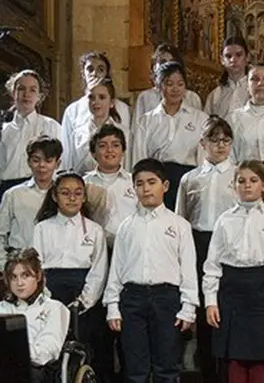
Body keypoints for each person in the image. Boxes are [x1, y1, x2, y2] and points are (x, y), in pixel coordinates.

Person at [103, 158, 199, 383]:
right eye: (139, 183)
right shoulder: (127, 226)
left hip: (167, 300)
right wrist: (112, 307)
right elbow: (117, 268)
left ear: (164, 186)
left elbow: (188, 269)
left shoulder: (179, 225)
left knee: (167, 367)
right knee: (136, 369)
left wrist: (188, 307)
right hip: (132, 299)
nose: (145, 188)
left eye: (151, 182)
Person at [203, 160, 264, 383]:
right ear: (233, 186)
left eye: (253, 180)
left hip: (263, 290)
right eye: (241, 181)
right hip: (232, 290)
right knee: (234, 356)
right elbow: (212, 265)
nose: (247, 185)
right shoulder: (224, 220)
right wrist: (210, 301)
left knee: (259, 355)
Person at [174, 115, 238, 381]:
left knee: (227, 307)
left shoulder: (239, 175)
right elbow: (181, 219)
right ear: (203, 142)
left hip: (230, 245)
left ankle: (229, 368)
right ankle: (207, 369)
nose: (220, 145)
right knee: (203, 310)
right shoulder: (190, 179)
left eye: (225, 140)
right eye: (214, 139)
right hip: (199, 242)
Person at [31, 171, 110, 378]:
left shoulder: (95, 230)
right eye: (65, 193)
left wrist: (84, 301)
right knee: (52, 348)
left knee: (84, 348)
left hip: (83, 296)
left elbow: (99, 271)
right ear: (55, 197)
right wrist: (47, 298)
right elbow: (37, 266)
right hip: (51, 292)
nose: (72, 198)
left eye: (77, 193)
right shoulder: (42, 228)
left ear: (84, 197)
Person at [131, 61, 209, 210]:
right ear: (159, 87)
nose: (175, 89)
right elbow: (139, 157)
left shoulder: (200, 118)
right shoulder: (147, 120)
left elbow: (203, 159)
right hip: (156, 181)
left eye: (180, 84)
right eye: (169, 83)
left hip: (188, 181)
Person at [0, 248, 69, 383]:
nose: (19, 283)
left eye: (25, 275)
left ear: (38, 276)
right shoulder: (2, 308)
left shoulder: (54, 308)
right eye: (14, 277)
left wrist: (16, 352)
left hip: (36, 371)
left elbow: (46, 352)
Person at [0, 70, 61, 196]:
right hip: (6, 189)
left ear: (39, 96)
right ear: (13, 93)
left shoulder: (50, 126)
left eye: (32, 90)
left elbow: (60, 163)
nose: (26, 94)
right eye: (21, 89)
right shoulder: (4, 129)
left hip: (41, 189)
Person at [0, 135, 61, 252]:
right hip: (20, 260)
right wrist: (4, 265)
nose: (42, 165)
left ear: (58, 163)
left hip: (55, 260)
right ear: (28, 162)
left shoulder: (66, 194)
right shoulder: (13, 194)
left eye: (48, 161)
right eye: (36, 160)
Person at [61, 52, 132, 149]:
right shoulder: (72, 110)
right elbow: (67, 149)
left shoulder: (122, 108)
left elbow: (126, 145)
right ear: (83, 74)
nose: (94, 73)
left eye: (100, 69)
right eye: (90, 69)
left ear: (106, 73)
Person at [82, 124, 137, 246]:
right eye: (102, 146)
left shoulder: (135, 182)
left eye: (115, 145)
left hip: (129, 245)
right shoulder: (84, 184)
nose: (110, 150)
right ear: (93, 153)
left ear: (123, 151)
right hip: (93, 246)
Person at [61, 78, 129, 173]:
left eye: (102, 97)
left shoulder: (124, 133)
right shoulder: (78, 133)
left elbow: (128, 165)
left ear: (112, 102)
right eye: (91, 97)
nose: (96, 102)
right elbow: (69, 164)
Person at [135, 43, 203, 121]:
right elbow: (137, 127)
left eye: (171, 61)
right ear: (154, 67)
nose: (167, 66)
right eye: (162, 62)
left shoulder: (192, 98)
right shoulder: (145, 97)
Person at [205, 36, 252, 119]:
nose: (233, 60)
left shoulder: (255, 91)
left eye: (238, 55)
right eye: (228, 56)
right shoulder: (215, 95)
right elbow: (207, 124)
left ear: (247, 57)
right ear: (222, 60)